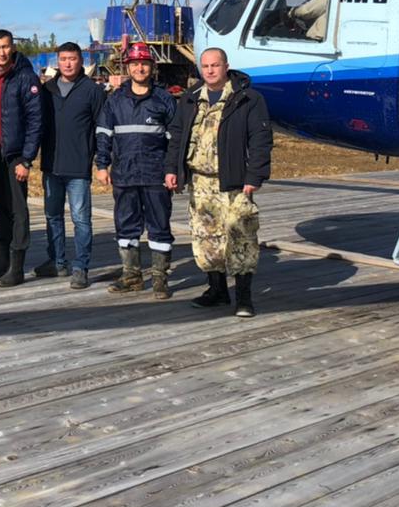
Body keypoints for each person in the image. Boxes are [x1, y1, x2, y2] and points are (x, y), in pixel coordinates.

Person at [165, 47, 273, 317]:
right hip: (200, 182)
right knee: (206, 238)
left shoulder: (248, 98)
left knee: (242, 236)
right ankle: (217, 290)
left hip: (234, 182)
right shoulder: (190, 98)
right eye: (205, 66)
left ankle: (244, 297)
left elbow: (261, 140)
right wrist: (172, 169)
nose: (210, 71)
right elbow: (177, 136)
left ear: (226, 67)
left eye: (215, 65)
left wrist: (254, 175)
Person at [95, 42, 177, 299]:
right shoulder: (115, 100)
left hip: (156, 174)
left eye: (144, 63)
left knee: (159, 226)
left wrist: (173, 169)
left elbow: (176, 140)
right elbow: (103, 134)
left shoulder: (164, 100)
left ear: (152, 67)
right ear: (127, 67)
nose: (139, 68)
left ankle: (160, 279)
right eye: (135, 64)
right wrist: (101, 165)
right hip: (125, 174)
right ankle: (131, 276)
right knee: (126, 225)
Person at [39, 42, 105, 289]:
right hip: (51, 165)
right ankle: (56, 261)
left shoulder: (92, 90)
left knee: (81, 219)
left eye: (73, 59)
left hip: (78, 166)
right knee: (52, 216)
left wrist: (101, 162)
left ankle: (81, 267)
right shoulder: (48, 90)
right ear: (57, 61)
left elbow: (102, 129)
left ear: (81, 61)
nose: (68, 63)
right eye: (63, 59)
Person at [0, 28, 42, 288]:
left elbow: (35, 121)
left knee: (18, 210)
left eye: (6, 47)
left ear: (12, 47)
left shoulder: (25, 78)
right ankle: (1, 260)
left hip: (15, 155)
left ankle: (17, 266)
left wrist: (26, 159)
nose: (2, 52)